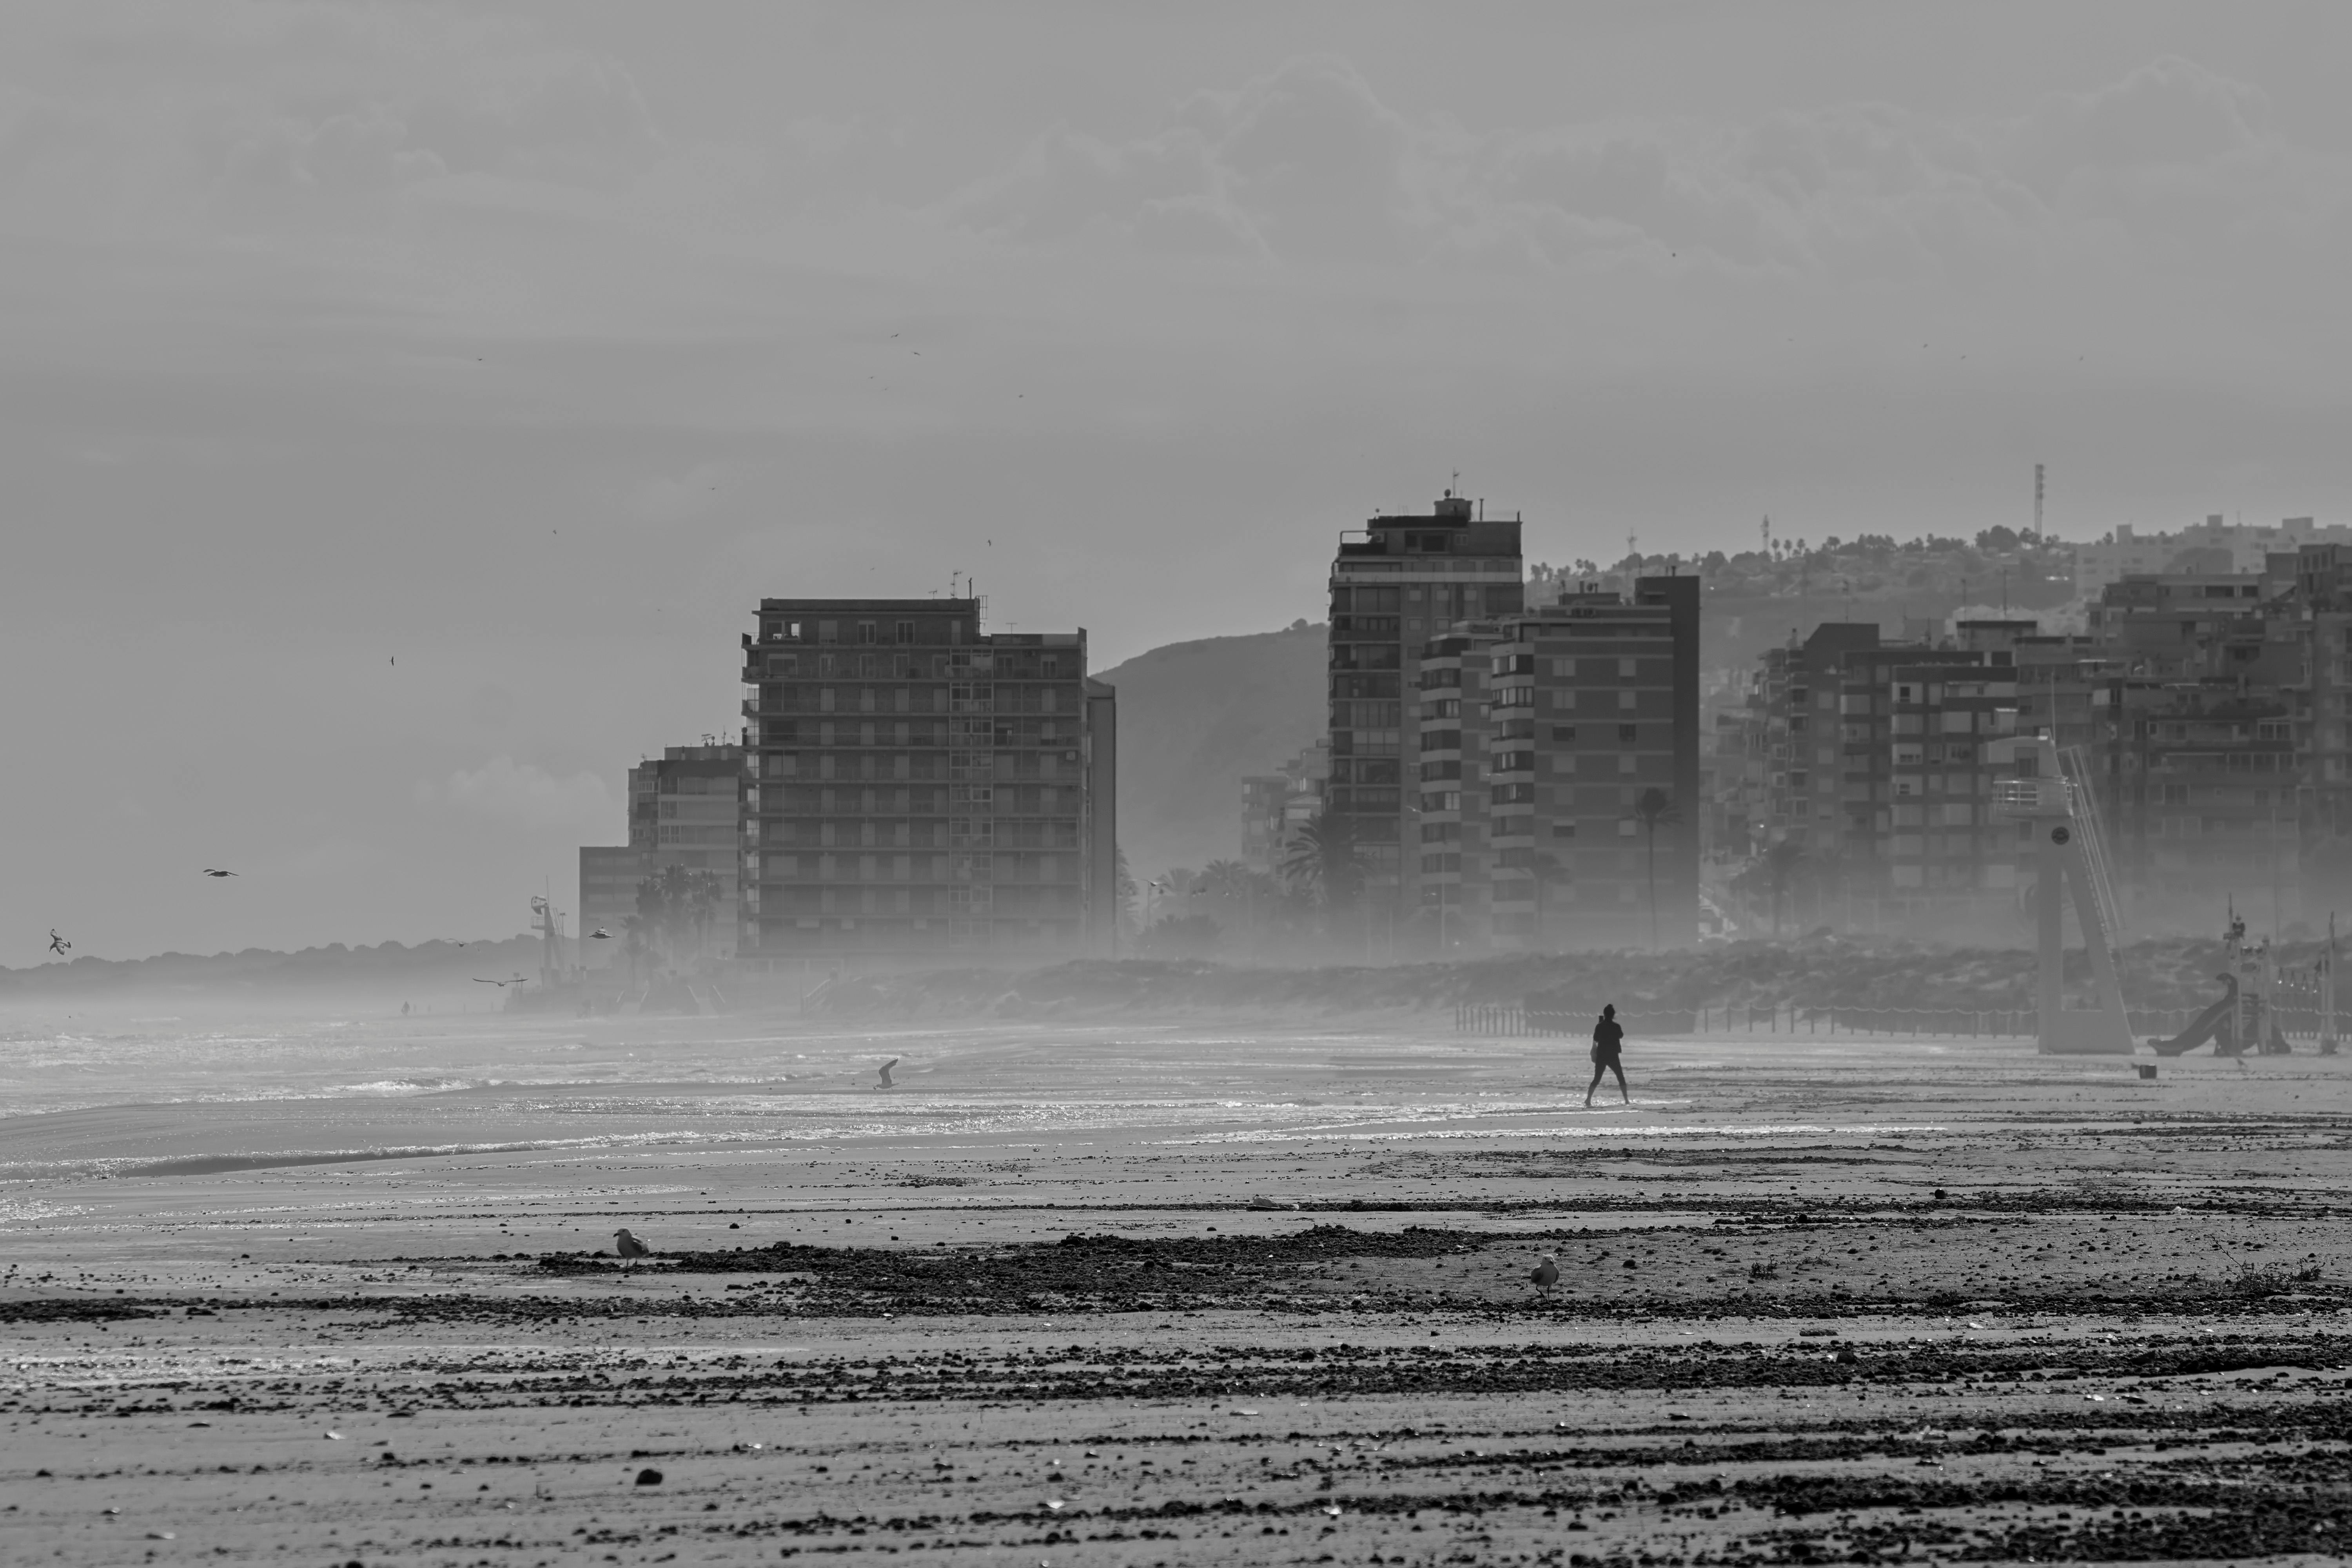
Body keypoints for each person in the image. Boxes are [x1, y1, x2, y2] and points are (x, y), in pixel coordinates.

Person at [1586, 1003, 1628, 1107]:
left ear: (1605, 1015)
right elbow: (1621, 1036)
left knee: (1597, 1079)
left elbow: (1596, 1039)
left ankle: (1588, 1100)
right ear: (1613, 1015)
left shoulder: (1600, 1026)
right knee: (1621, 1077)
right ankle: (1627, 1100)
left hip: (1602, 1055)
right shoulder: (1616, 1026)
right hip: (1613, 1055)